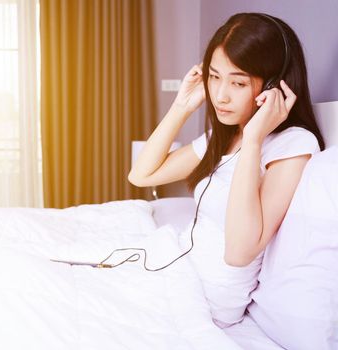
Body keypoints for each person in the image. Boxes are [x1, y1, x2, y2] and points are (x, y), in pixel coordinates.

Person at [128, 13, 325, 327]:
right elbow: (141, 176)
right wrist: (182, 106)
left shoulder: (293, 146)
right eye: (214, 76)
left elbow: (239, 253)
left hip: (209, 304)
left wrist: (253, 140)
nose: (220, 95)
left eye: (238, 82)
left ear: (274, 86)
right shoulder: (224, 137)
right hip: (180, 273)